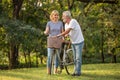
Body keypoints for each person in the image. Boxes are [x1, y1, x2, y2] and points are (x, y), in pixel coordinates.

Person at [56, 11, 84, 76]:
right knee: (75, 58)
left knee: (78, 58)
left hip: (79, 42)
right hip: (73, 42)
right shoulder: (66, 25)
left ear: (67, 17)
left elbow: (67, 31)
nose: (62, 17)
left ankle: (78, 73)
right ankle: (75, 71)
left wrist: (59, 35)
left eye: (63, 16)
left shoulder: (73, 21)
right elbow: (67, 33)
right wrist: (63, 37)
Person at [44, 10, 64, 75]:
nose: (55, 16)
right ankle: (48, 71)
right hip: (51, 40)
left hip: (58, 40)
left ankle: (55, 70)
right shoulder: (49, 23)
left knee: (57, 56)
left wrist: (63, 37)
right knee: (49, 56)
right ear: (52, 16)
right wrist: (45, 32)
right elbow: (47, 30)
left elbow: (62, 31)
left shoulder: (60, 23)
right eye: (54, 15)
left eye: (57, 15)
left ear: (58, 16)